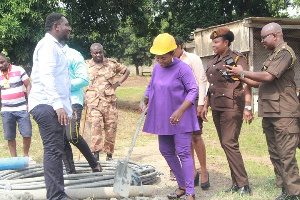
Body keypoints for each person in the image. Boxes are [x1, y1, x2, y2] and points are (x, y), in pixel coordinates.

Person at [226, 22, 300, 200]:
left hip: (284, 113)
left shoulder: (285, 53)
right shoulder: (272, 56)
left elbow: (268, 76)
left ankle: (294, 194)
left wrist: (244, 72)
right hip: (270, 112)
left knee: (286, 154)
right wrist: (239, 77)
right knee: (275, 153)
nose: (262, 42)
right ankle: (285, 189)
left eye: (264, 38)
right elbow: (260, 82)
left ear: (275, 35)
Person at [140, 33, 199, 200]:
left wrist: (180, 110)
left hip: (181, 118)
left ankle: (190, 192)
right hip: (163, 117)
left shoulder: (183, 69)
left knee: (183, 152)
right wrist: (145, 97)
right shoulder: (158, 68)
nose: (159, 60)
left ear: (173, 53)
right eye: (157, 57)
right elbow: (151, 85)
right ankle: (181, 185)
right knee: (165, 150)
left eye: (163, 57)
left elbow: (193, 90)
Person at [200, 27, 253, 196]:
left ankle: (244, 183)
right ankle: (236, 183)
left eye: (216, 42)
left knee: (230, 142)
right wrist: (206, 104)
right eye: (213, 42)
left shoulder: (237, 58)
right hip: (217, 107)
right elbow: (211, 86)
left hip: (232, 106)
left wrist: (248, 106)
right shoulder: (213, 61)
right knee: (225, 144)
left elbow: (247, 82)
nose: (213, 45)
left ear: (226, 42)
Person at [28, 13, 73, 200]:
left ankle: (57, 193)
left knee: (56, 149)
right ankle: (56, 196)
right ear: (56, 27)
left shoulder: (55, 47)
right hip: (47, 104)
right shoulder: (47, 46)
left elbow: (62, 81)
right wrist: (58, 105)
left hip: (50, 104)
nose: (69, 28)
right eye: (66, 25)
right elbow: (47, 77)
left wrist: (67, 108)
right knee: (53, 150)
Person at [173, 38, 210, 189]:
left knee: (196, 136)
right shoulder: (169, 61)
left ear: (179, 47)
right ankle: (192, 171)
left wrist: (201, 103)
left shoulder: (192, 58)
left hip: (193, 101)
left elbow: (202, 80)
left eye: (172, 48)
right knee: (184, 138)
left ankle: (204, 170)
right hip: (177, 103)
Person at [85, 43, 130, 161]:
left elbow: (126, 71)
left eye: (100, 52)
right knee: (95, 125)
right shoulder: (86, 66)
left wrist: (117, 84)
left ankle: (109, 155)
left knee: (111, 128)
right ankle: (95, 154)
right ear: (91, 53)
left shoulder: (111, 64)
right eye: (96, 53)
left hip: (109, 102)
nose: (98, 55)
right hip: (94, 102)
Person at [62, 44, 101, 174]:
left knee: (72, 135)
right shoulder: (51, 55)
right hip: (57, 102)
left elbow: (84, 80)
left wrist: (63, 86)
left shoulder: (73, 54)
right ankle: (70, 172)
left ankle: (94, 163)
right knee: (61, 138)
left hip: (73, 101)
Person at [0, 53, 32, 158]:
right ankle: (14, 159)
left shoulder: (19, 70)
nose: (1, 65)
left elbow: (28, 85)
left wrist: (30, 102)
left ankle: (25, 155)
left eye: (2, 62)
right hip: (6, 110)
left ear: (7, 60)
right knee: (10, 136)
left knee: (27, 133)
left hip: (22, 108)